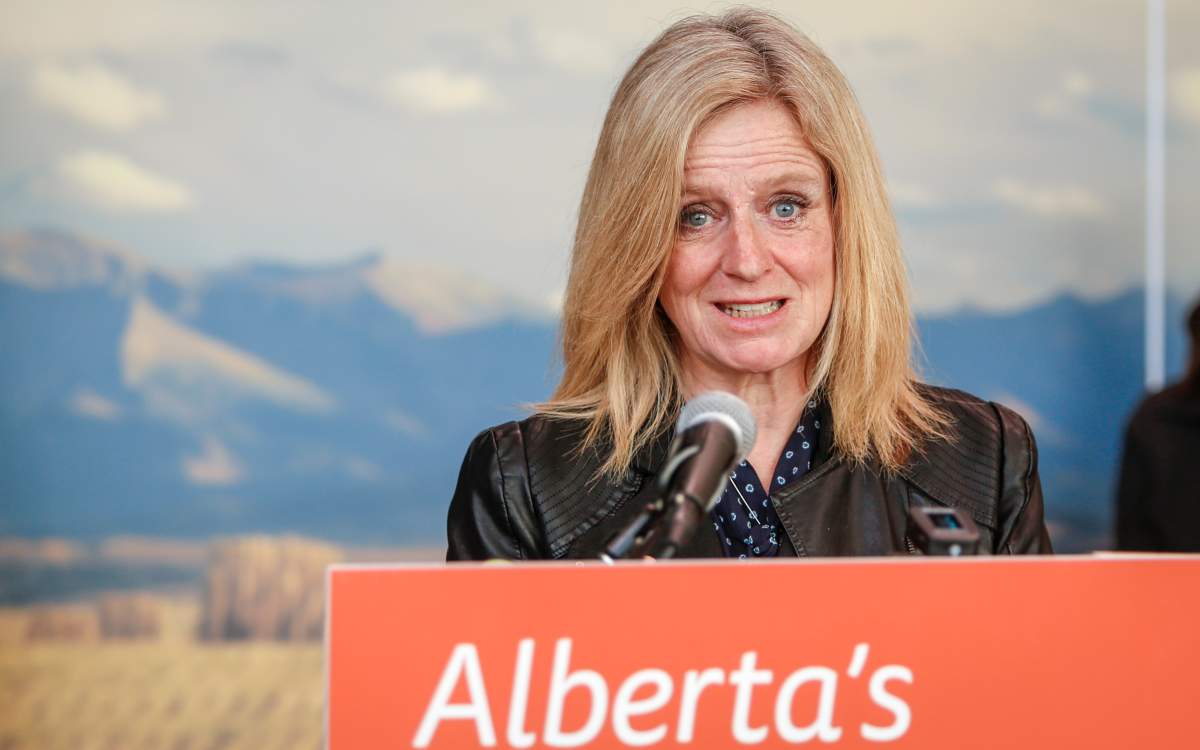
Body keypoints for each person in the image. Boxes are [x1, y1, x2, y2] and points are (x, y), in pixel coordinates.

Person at [446, 8, 1052, 560]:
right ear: (635, 245)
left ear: (845, 223)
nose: (747, 260)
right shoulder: (522, 484)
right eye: (695, 216)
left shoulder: (983, 460)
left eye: (786, 207)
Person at [1115, 298, 1200, 551]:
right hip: (1168, 583)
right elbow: (1132, 532)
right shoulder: (1156, 418)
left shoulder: (1153, 416)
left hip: (1164, 582)